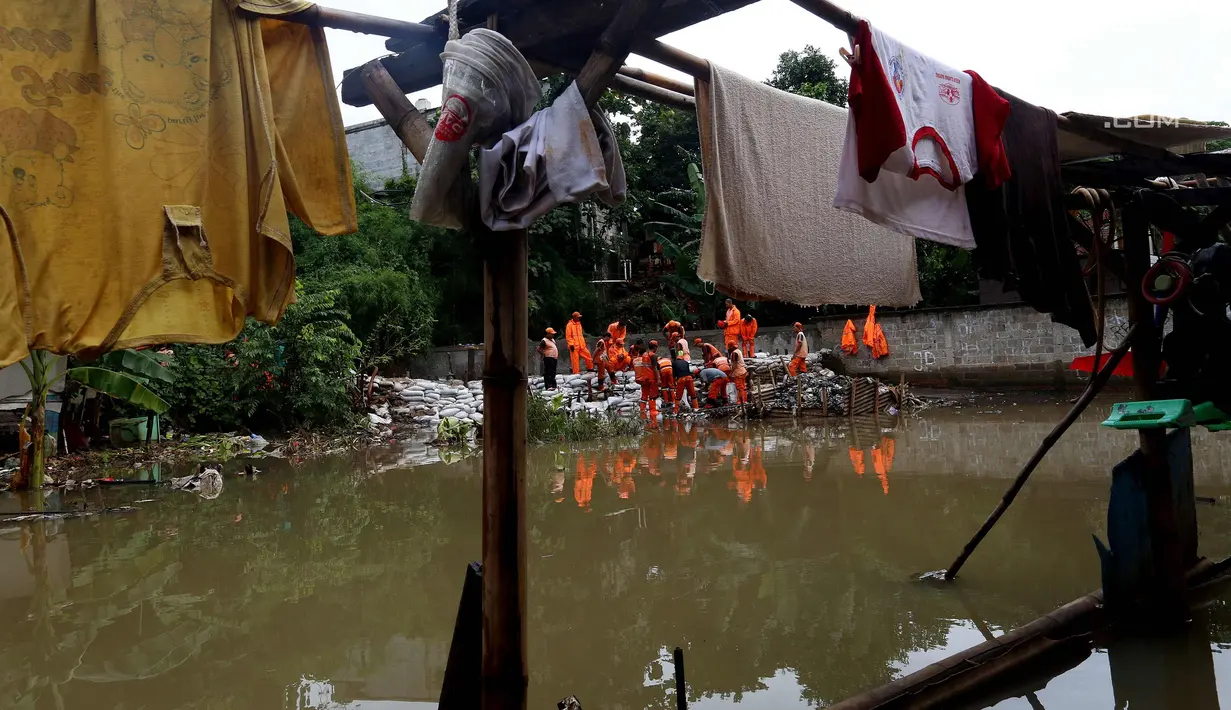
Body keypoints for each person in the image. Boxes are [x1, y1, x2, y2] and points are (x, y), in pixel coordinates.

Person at [633, 341, 660, 420]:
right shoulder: (653, 356)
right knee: (652, 395)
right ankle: (653, 411)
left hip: (644, 379)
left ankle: (642, 411)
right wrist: (658, 379)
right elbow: (655, 368)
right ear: (655, 347)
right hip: (651, 379)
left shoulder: (645, 355)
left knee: (644, 395)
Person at [672, 349, 697, 414]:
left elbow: (674, 375)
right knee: (693, 394)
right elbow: (688, 371)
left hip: (681, 379)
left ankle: (676, 411)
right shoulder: (686, 362)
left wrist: (674, 384)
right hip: (689, 378)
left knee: (678, 396)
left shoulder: (674, 363)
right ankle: (696, 409)